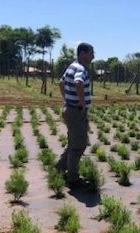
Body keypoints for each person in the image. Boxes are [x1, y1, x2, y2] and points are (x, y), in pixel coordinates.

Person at [55, 42, 94, 188]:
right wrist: (81, 103)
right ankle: (72, 178)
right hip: (77, 111)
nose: (93, 56)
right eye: (91, 53)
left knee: (73, 143)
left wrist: (67, 99)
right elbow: (78, 82)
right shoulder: (80, 69)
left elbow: (61, 82)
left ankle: (58, 169)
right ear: (83, 53)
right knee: (79, 145)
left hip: (70, 109)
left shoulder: (71, 66)